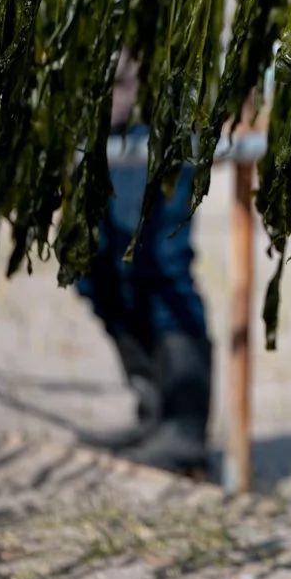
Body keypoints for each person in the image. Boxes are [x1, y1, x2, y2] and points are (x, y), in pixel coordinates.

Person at [75, 51, 214, 477]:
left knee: (161, 266)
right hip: (96, 113)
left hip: (164, 108)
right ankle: (153, 406)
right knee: (93, 267)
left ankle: (185, 426)